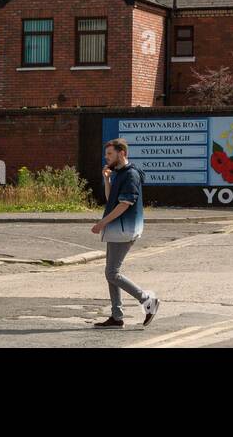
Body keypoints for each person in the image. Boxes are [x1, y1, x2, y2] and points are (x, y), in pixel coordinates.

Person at [91, 139, 159, 328]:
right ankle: (116, 316)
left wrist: (102, 223)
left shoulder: (131, 175)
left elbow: (123, 204)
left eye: (110, 154)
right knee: (110, 273)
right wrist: (107, 179)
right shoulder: (118, 173)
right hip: (116, 229)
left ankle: (146, 299)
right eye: (106, 154)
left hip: (124, 229)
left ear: (122, 153)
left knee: (112, 272)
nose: (107, 158)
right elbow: (111, 199)